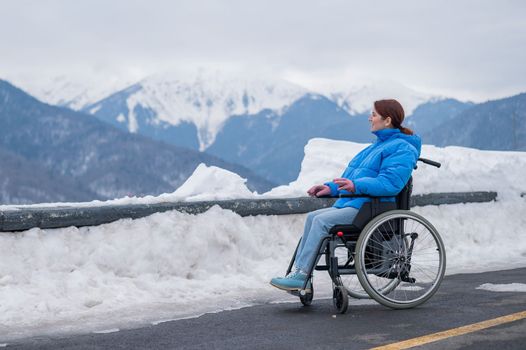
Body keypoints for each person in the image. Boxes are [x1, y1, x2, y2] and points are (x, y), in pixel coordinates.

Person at [270, 99, 421, 291]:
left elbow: (390, 184)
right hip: (357, 204)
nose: (370, 118)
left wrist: (356, 185)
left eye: (374, 114)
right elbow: (351, 179)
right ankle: (302, 275)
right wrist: (330, 188)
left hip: (372, 208)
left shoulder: (401, 148)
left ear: (387, 120)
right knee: (312, 217)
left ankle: (301, 275)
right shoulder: (376, 147)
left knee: (320, 222)